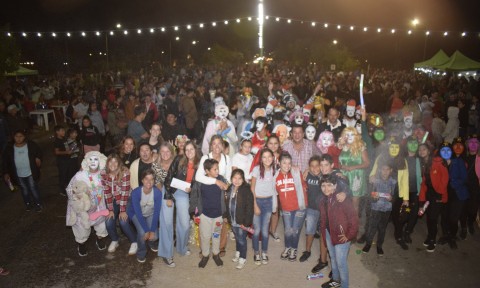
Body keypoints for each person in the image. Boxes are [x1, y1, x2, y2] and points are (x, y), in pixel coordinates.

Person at [66, 151, 109, 256]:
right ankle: (81, 244)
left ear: (100, 161)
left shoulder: (103, 174)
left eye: (96, 159)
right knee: (82, 229)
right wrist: (77, 197)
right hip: (83, 209)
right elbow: (69, 189)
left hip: (99, 207)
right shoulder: (80, 175)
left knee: (102, 226)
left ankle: (99, 239)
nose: (93, 162)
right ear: (86, 162)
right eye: (91, 159)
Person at [319, 174, 358, 288]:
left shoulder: (342, 199)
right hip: (328, 233)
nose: (326, 188)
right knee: (333, 259)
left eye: (329, 185)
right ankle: (335, 280)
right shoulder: (323, 200)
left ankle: (344, 285)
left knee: (341, 263)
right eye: (323, 185)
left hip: (342, 236)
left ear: (335, 186)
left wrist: (349, 235)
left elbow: (354, 219)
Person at [164, 141, 200, 258]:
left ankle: (181, 247)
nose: (189, 152)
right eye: (187, 150)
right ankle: (177, 247)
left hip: (190, 192)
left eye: (192, 149)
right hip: (177, 190)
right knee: (182, 223)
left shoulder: (200, 163)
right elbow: (169, 176)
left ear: (196, 150)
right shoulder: (179, 159)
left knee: (184, 223)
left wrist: (192, 189)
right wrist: (168, 196)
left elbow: (200, 182)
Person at [190, 159, 228, 268]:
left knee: (216, 235)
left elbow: (227, 196)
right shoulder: (200, 182)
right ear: (207, 171)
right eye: (214, 169)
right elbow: (194, 197)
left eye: (218, 169)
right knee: (205, 236)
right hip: (204, 215)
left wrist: (225, 214)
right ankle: (205, 255)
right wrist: (193, 212)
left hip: (218, 215)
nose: (217, 171)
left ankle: (216, 254)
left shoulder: (221, 180)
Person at [101, 154, 137, 255]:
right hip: (113, 199)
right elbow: (107, 192)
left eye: (115, 162)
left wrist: (122, 211)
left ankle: (134, 241)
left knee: (123, 221)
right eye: (110, 162)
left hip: (126, 199)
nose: (113, 164)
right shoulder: (103, 173)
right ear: (107, 163)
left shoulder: (124, 173)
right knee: (108, 220)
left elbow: (125, 193)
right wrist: (110, 209)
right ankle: (115, 239)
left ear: (119, 163)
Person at [275, 152, 307, 262]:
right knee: (288, 230)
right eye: (284, 163)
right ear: (279, 163)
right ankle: (287, 247)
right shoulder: (276, 176)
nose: (287, 165)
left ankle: (294, 249)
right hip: (286, 208)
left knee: (295, 230)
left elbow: (303, 186)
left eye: (289, 163)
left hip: (299, 207)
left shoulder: (296, 172)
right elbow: (273, 192)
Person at [418, 143, 449, 252]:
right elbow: (424, 183)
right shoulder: (423, 164)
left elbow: (445, 178)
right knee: (428, 217)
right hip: (428, 194)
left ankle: (432, 240)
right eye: (420, 150)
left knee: (433, 218)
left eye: (424, 149)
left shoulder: (438, 161)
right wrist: (422, 199)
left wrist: (439, 193)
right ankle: (429, 236)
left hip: (438, 194)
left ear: (429, 151)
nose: (422, 151)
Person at [3, 130, 43, 211]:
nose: (18, 138)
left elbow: (39, 152)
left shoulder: (31, 145)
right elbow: (5, 161)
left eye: (20, 136)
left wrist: (38, 158)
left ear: (24, 137)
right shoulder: (9, 148)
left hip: (30, 172)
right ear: (13, 137)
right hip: (18, 174)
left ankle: (38, 204)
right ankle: (28, 204)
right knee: (24, 189)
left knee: (33, 188)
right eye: (16, 136)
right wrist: (6, 173)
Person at [127, 169, 162, 263]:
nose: (149, 182)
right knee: (142, 233)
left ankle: (151, 242)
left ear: (154, 181)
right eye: (146, 179)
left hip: (149, 213)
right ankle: (141, 252)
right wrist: (147, 230)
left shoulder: (157, 193)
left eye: (151, 179)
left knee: (155, 236)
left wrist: (152, 231)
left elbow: (156, 212)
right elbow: (138, 213)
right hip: (136, 214)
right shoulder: (136, 192)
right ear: (142, 180)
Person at [362, 162, 397, 255]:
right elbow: (370, 194)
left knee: (382, 228)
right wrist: (374, 197)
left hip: (387, 210)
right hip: (376, 208)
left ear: (391, 171)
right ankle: (368, 244)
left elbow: (395, 196)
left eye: (387, 170)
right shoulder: (375, 181)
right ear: (380, 170)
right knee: (372, 227)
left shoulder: (393, 182)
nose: (385, 172)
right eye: (383, 169)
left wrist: (391, 199)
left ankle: (379, 246)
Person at [250, 148, 277, 265]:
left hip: (269, 202)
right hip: (258, 201)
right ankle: (256, 252)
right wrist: (255, 204)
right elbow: (252, 188)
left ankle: (264, 252)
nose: (267, 159)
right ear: (261, 159)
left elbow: (288, 168)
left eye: (269, 157)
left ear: (273, 158)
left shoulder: (275, 170)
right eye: (264, 157)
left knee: (265, 230)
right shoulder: (256, 170)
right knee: (257, 231)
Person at [154, 143, 177, 267]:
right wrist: (168, 196)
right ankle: (167, 253)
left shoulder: (177, 163)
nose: (165, 154)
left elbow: (180, 181)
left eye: (167, 151)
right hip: (164, 192)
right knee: (166, 222)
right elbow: (159, 184)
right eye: (162, 151)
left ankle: (181, 243)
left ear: (171, 152)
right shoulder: (156, 166)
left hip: (178, 190)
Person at [337, 127, 370, 214]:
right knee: (343, 201)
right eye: (347, 134)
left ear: (356, 136)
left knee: (354, 203)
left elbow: (367, 163)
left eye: (352, 134)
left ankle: (354, 225)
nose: (350, 136)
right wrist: (340, 166)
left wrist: (352, 167)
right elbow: (335, 160)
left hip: (356, 177)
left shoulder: (361, 146)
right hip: (343, 176)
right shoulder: (341, 146)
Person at [226, 169, 254, 269]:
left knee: (242, 239)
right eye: (235, 178)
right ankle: (238, 252)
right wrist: (226, 217)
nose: (237, 180)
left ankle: (243, 257)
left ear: (243, 180)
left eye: (239, 178)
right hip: (233, 220)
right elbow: (226, 204)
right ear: (231, 178)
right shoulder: (230, 188)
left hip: (242, 222)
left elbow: (250, 208)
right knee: (237, 238)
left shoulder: (246, 190)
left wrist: (246, 223)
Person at [300, 155, 323, 263]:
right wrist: (306, 170)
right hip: (311, 208)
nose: (315, 168)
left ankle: (323, 256)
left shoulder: (325, 176)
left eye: (317, 166)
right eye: (312, 166)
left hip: (324, 209)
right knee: (310, 230)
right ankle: (307, 251)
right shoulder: (307, 175)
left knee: (324, 233)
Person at [53, 125, 71, 197]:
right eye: (62, 131)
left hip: (67, 160)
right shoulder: (57, 141)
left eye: (64, 130)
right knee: (62, 176)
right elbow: (56, 152)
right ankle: (62, 190)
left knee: (67, 175)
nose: (64, 132)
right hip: (61, 161)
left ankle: (67, 188)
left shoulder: (64, 139)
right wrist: (66, 152)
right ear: (57, 132)